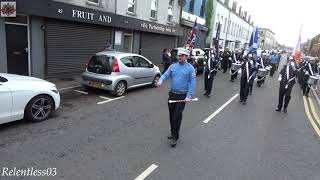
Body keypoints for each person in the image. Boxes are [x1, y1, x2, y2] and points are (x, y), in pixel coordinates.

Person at [157, 48, 197, 148]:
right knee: (171, 115)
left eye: (182, 55)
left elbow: (193, 82)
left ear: (186, 57)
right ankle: (172, 132)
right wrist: (161, 80)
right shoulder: (173, 66)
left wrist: (189, 96)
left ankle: (175, 137)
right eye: (179, 55)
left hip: (182, 96)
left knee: (177, 116)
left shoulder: (190, 68)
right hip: (172, 94)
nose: (179, 57)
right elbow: (166, 74)